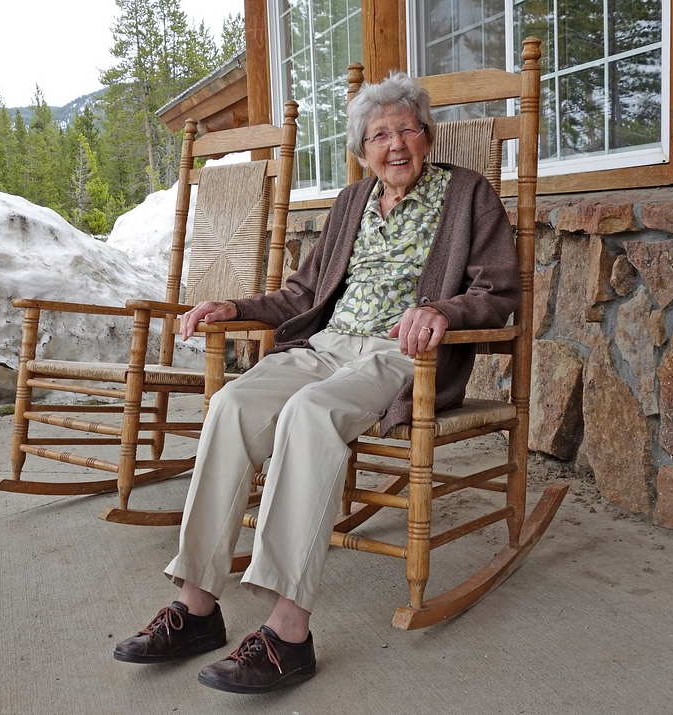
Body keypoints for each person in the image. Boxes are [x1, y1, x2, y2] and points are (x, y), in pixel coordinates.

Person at [113, 71, 519, 694]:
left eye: (407, 129)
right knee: (231, 405)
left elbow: (497, 293)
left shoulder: (469, 195)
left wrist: (440, 310)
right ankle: (196, 607)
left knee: (310, 415)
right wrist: (236, 306)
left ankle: (287, 634)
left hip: (398, 355)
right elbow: (303, 295)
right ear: (362, 150)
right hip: (326, 346)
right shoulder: (351, 203)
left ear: (427, 136)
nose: (396, 144)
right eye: (380, 134)